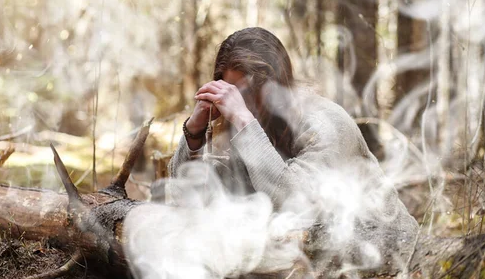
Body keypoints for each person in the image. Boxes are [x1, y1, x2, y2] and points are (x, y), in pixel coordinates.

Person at [166, 27, 419, 275]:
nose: (236, 104)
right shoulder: (247, 132)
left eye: (246, 93)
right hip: (315, 265)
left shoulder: (327, 123)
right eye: (230, 92)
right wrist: (195, 131)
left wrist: (244, 121)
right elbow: (187, 195)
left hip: (394, 262)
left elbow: (295, 201)